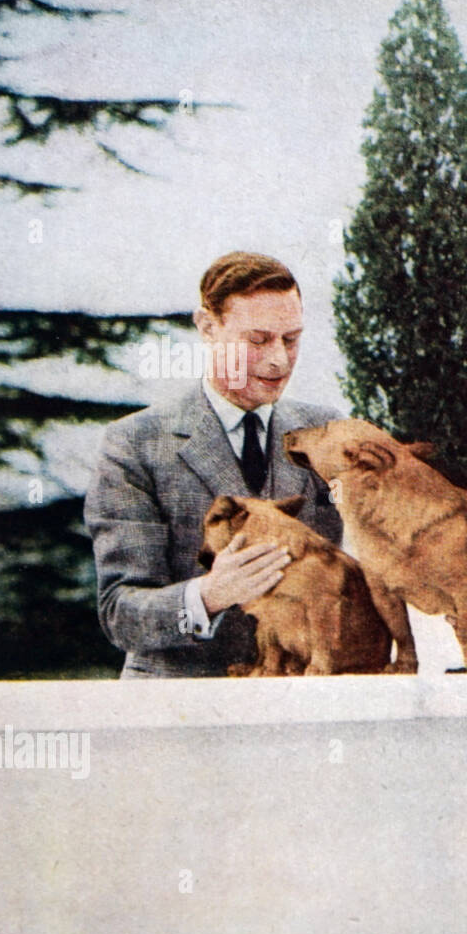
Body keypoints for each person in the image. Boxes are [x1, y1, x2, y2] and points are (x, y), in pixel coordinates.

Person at [85, 251, 342, 678]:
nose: (279, 359)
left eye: (291, 339)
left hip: (301, 705)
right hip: (183, 711)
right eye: (258, 340)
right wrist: (208, 596)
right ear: (207, 327)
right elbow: (119, 613)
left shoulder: (327, 432)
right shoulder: (134, 443)